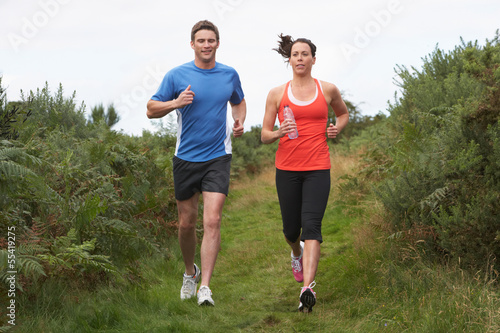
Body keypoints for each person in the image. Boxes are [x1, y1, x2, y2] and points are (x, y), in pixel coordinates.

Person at [146, 20, 246, 306]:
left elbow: (238, 101)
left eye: (210, 40)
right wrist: (175, 103)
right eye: (200, 41)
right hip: (186, 158)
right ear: (192, 44)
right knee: (187, 223)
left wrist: (239, 121)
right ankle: (190, 273)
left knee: (212, 220)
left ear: (217, 43)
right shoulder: (177, 75)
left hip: (218, 156)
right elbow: (151, 109)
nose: (206, 45)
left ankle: (205, 287)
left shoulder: (229, 74)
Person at [261, 34, 349, 313]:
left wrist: (337, 128)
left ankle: (306, 290)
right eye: (295, 54)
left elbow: (343, 114)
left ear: (313, 59)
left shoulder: (328, 90)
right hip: (287, 169)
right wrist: (278, 132)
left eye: (305, 54)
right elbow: (263, 135)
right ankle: (295, 253)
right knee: (291, 230)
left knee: (312, 227)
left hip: (318, 168)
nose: (300, 58)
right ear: (290, 59)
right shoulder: (277, 93)